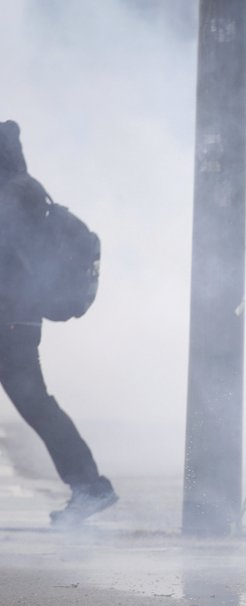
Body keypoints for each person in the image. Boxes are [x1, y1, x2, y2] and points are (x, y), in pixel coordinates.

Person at [0, 120, 117, 526]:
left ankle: (90, 486)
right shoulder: (24, 188)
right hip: (17, 318)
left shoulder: (12, 193)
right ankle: (89, 486)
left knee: (37, 406)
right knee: (38, 406)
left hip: (10, 320)